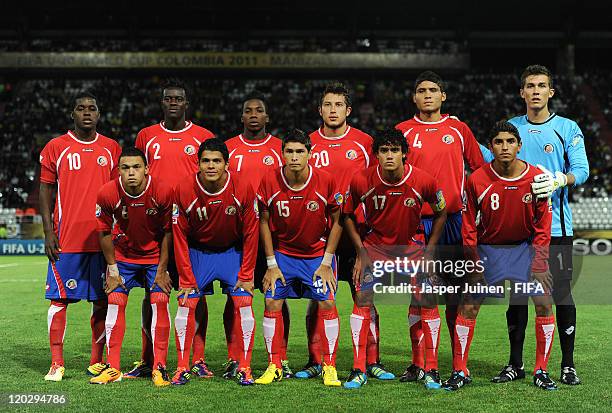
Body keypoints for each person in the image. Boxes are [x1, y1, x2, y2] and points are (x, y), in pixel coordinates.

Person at [481, 65, 588, 385]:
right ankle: (516, 363)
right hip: (518, 231)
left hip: (556, 228)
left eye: (542, 85)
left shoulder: (567, 128)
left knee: (561, 294)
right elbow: (490, 159)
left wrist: (560, 179)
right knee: (518, 297)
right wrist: (464, 139)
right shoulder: (512, 127)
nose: (536, 90)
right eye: (530, 85)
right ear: (522, 93)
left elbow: (582, 170)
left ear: (550, 92)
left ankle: (567, 365)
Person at [444, 120, 557, 391]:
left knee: (544, 302)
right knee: (468, 306)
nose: (504, 147)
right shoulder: (477, 179)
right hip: (488, 250)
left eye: (510, 142)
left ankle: (540, 370)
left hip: (523, 249)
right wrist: (473, 263)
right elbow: (468, 225)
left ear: (519, 146)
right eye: (498, 142)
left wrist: (540, 263)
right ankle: (460, 371)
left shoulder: (536, 178)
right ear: (491, 146)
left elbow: (543, 225)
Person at [298, 82, 395, 381]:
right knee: (319, 300)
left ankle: (371, 360)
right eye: (327, 105)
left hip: (357, 236)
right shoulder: (309, 144)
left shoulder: (365, 144)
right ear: (320, 110)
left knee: (364, 298)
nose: (332, 110)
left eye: (338, 105)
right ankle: (316, 360)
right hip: (320, 237)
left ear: (348, 110)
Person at [395, 71, 485, 382]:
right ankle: (419, 364)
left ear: (443, 96)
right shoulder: (402, 132)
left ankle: (459, 365)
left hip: (455, 220)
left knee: (456, 294)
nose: (428, 94)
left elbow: (480, 169)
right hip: (416, 221)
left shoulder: (458, 129)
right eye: (421, 90)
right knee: (420, 294)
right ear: (414, 97)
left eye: (433, 90)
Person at [343, 128, 447, 389]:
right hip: (374, 249)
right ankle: (358, 369)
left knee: (426, 301)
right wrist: (360, 253)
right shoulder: (361, 181)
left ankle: (429, 368)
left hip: (412, 248)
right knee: (362, 301)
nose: (389, 155)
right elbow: (346, 215)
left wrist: (430, 252)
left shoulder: (424, 181)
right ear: (376, 154)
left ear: (404, 154)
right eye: (384, 150)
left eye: (395, 150)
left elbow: (441, 212)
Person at [132, 79, 215, 380]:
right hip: (157, 227)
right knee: (152, 292)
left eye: (179, 98)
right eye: (168, 98)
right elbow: (141, 175)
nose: (174, 103)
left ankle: (199, 358)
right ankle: (148, 358)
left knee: (197, 292)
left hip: (193, 227)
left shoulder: (203, 136)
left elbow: (211, 177)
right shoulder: (147, 136)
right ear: (162, 102)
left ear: (186, 103)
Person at [39, 91, 121, 381]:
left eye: (92, 108)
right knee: (59, 301)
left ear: (99, 114)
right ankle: (56, 363)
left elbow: (117, 194)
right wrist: (48, 231)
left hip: (102, 240)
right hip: (66, 240)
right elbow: (46, 189)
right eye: (80, 108)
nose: (87, 112)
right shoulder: (56, 146)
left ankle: (96, 361)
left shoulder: (111, 148)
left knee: (102, 301)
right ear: (71, 114)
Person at [255, 129, 343, 387]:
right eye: (289, 152)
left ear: (310, 154)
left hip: (317, 255)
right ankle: (275, 365)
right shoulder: (269, 180)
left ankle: (329, 366)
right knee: (272, 302)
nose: (294, 157)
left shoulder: (325, 180)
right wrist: (271, 264)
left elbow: (338, 221)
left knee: (326, 304)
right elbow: (263, 220)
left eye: (299, 151)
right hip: (283, 255)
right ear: (282, 154)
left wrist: (327, 262)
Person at [171, 138, 258, 386]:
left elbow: (251, 232)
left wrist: (247, 273)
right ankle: (183, 366)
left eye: (216, 161)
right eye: (206, 161)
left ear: (227, 164)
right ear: (197, 164)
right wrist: (186, 278)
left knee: (243, 300)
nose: (211, 166)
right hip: (199, 254)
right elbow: (179, 236)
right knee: (186, 302)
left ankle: (244, 367)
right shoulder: (184, 188)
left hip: (231, 252)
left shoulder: (242, 187)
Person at [91, 147, 173, 386]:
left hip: (154, 258)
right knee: (115, 301)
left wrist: (162, 269)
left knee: (159, 301)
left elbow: (169, 232)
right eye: (125, 168)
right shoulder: (107, 193)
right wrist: (113, 270)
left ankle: (159, 368)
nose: (131, 173)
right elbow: (104, 232)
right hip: (123, 257)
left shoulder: (162, 191)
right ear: (118, 171)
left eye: (137, 167)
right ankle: (113, 368)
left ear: (147, 169)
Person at [223, 93, 291, 379]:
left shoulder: (279, 149)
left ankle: (281, 358)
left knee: (277, 296)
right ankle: (233, 357)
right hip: (237, 237)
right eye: (248, 111)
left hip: (272, 236)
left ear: (267, 117)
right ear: (241, 117)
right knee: (235, 297)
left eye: (259, 110)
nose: (253, 114)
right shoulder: (229, 149)